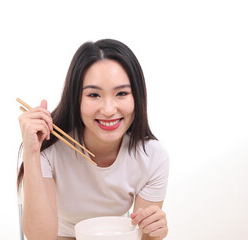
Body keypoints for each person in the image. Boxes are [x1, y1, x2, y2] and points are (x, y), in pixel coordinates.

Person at [17, 39, 169, 240]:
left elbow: (141, 236)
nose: (108, 110)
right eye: (94, 94)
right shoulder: (47, 147)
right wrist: (31, 153)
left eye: (121, 93)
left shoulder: (152, 156)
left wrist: (154, 232)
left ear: (137, 97)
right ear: (75, 98)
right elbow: (40, 238)